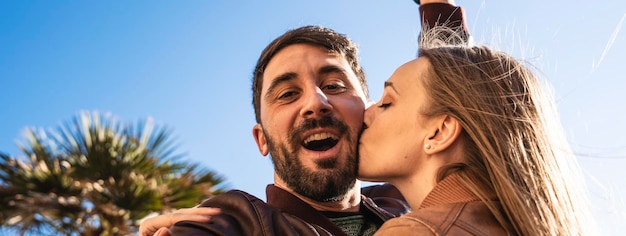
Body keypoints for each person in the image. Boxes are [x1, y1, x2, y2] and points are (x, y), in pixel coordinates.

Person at [139, 1, 471, 236]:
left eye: (334, 85)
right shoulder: (232, 220)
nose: (316, 102)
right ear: (262, 139)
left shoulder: (405, 199)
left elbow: (454, 96)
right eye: (286, 94)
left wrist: (436, 3)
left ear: (370, 110)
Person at [358, 37, 594, 235]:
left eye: (386, 103)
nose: (366, 113)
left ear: (440, 133)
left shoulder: (415, 231)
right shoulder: (513, 222)